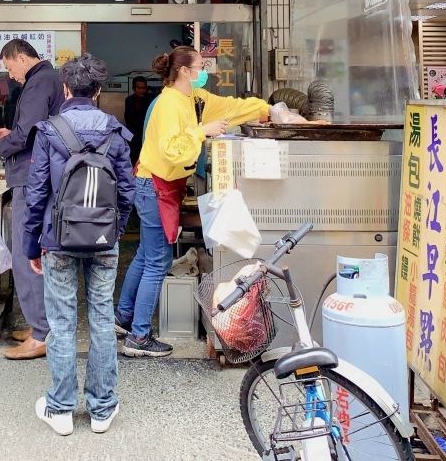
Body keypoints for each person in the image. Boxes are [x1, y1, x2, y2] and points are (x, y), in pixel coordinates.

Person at [116, 45, 270, 357]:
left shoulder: (192, 98)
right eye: (200, 66)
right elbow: (174, 149)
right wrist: (202, 132)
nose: (204, 71)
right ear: (185, 71)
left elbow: (227, 107)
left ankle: (123, 318)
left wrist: (265, 108)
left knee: (146, 256)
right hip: (154, 186)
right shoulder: (169, 103)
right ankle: (139, 337)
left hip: (155, 184)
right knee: (157, 261)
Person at [23, 54, 135, 436]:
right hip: (104, 240)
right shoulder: (114, 130)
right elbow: (127, 190)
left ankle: (60, 409)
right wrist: (115, 233)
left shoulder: (49, 130)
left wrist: (30, 245)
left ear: (66, 88)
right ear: (99, 90)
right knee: (102, 321)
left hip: (58, 240)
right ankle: (102, 409)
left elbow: (37, 193)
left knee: (62, 323)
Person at [0, 38, 65, 360]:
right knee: (35, 253)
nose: (11, 74)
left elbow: (27, 134)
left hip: (30, 179)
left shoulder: (37, 81)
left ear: (20, 57)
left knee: (25, 251)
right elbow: (32, 129)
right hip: (40, 176)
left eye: (9, 66)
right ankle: (41, 325)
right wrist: (9, 134)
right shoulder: (49, 80)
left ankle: (42, 333)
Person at [123, 76, 153, 164]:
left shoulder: (151, 99)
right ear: (133, 89)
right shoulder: (129, 100)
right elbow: (127, 118)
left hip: (147, 136)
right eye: (139, 88)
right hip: (133, 138)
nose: (142, 90)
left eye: (144, 88)